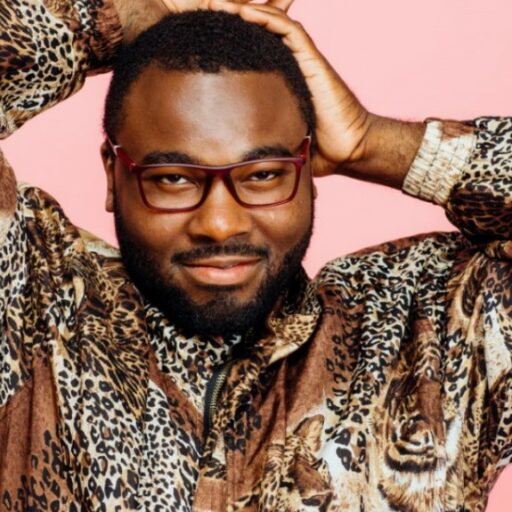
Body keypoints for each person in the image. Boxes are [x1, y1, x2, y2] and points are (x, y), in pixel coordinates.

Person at [0, 0, 511, 510]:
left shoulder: (432, 331)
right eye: (173, 179)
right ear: (114, 176)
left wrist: (371, 143)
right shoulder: (30, 304)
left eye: (264, 174)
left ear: (307, 167)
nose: (220, 224)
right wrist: (132, 11)